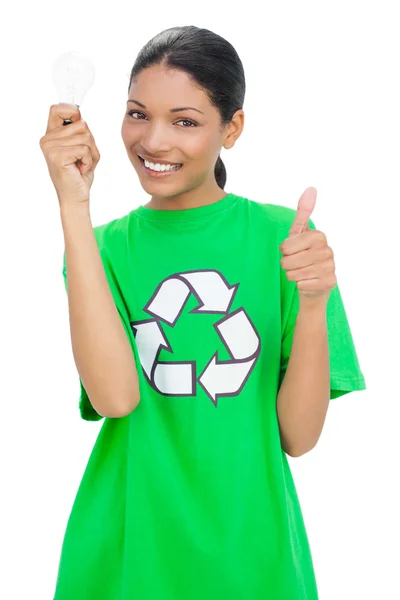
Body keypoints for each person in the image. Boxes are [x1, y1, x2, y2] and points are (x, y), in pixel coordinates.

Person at [42, 25, 366, 600]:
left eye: (185, 121)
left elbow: (299, 436)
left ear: (232, 128)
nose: (154, 141)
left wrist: (313, 305)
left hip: (255, 554)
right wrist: (73, 202)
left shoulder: (284, 240)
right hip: (125, 553)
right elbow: (117, 398)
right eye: (138, 114)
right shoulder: (101, 249)